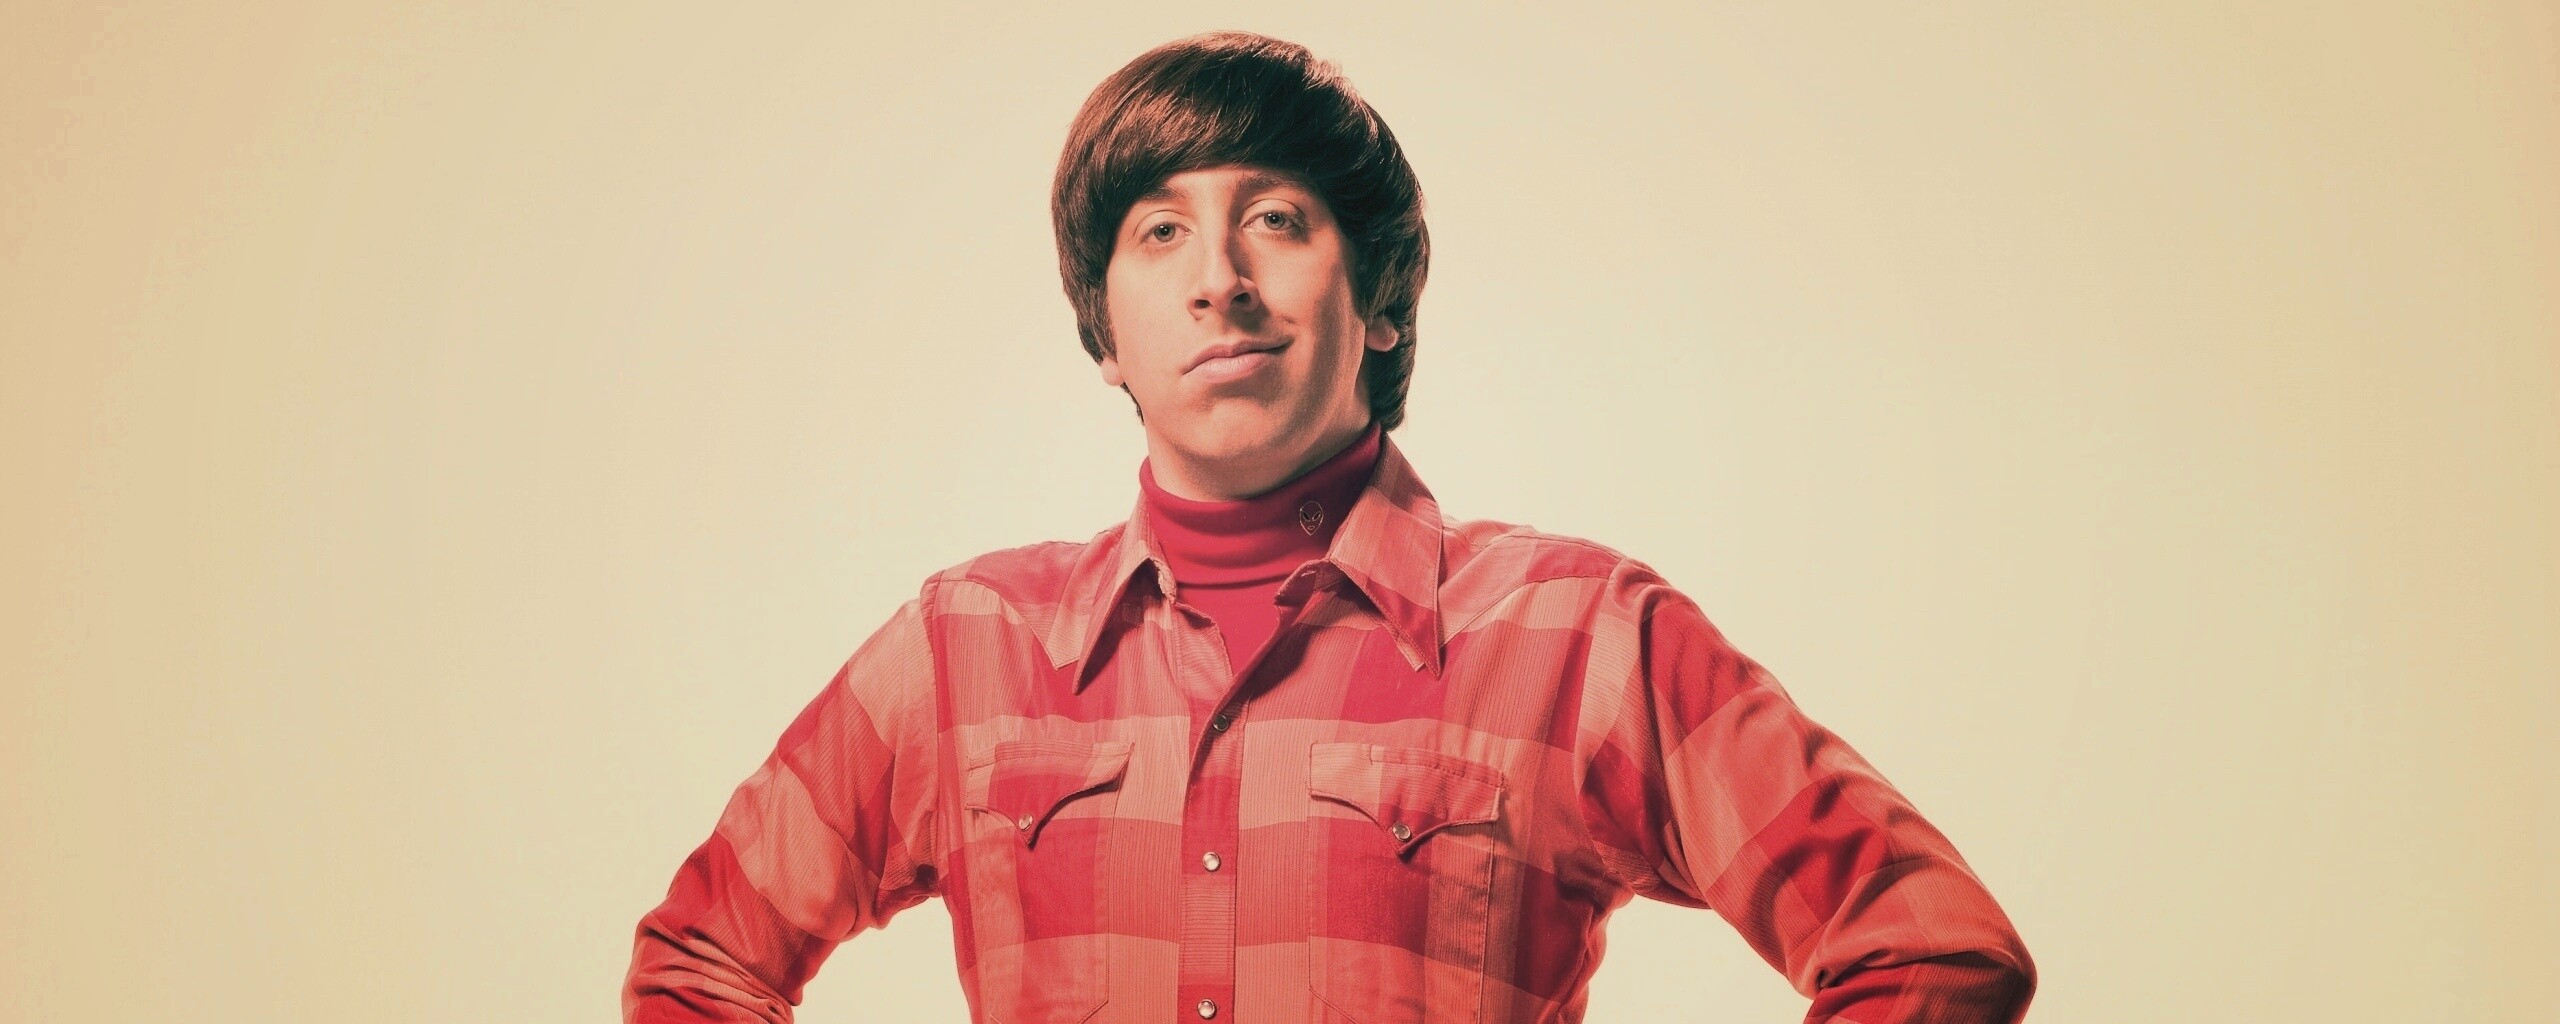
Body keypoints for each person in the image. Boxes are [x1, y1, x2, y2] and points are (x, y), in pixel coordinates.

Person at [624, 30, 2036, 1024]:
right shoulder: (963, 647)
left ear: (1383, 301)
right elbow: (701, 965)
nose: (1219, 279)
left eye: (1277, 220)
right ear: (1104, 332)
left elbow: (1926, 946)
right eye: (1159, 232)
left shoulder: (1578, 635)